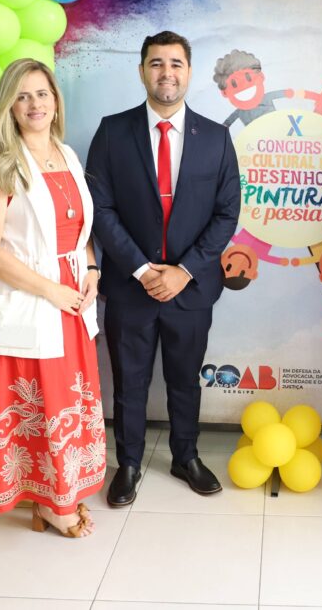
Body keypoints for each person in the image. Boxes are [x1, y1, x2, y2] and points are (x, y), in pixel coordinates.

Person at [86, 30, 240, 505]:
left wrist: (183, 271)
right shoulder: (112, 132)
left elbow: (227, 213)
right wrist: (141, 269)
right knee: (129, 382)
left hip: (190, 289)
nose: (166, 73)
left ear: (189, 73)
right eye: (156, 63)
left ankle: (185, 456)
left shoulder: (216, 138)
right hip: (130, 287)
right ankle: (129, 463)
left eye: (175, 64)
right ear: (141, 71)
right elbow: (100, 208)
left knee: (184, 379)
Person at [0, 59, 105, 538]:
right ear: (9, 105)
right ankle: (51, 505)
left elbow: (78, 230)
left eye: (42, 94)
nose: (34, 104)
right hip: (32, 298)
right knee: (40, 401)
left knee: (67, 398)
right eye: (22, 96)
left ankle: (61, 493)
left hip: (72, 299)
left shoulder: (67, 154)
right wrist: (51, 290)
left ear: (56, 101)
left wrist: (92, 270)